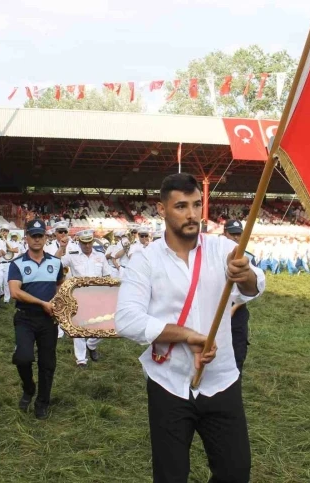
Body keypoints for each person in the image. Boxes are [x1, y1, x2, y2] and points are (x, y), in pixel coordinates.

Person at [116, 173, 265, 483]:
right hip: (168, 383)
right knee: (170, 476)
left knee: (235, 472)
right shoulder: (145, 261)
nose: (192, 214)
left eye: (197, 205)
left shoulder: (221, 249)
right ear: (161, 210)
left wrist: (245, 274)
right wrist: (186, 335)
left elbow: (255, 287)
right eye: (181, 206)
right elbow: (127, 319)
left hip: (221, 380)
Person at [7, 219, 64, 420]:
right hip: (26, 318)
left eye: (40, 235)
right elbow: (15, 292)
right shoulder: (17, 264)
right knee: (23, 357)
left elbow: (60, 288)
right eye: (33, 235)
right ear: (27, 238)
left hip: (49, 320)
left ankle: (42, 403)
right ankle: (29, 387)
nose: (37, 239)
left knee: (47, 363)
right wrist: (42, 303)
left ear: (46, 238)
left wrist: (59, 307)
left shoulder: (56, 263)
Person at [61, 229, 112, 368]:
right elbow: (56, 264)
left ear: (92, 241)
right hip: (79, 296)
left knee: (104, 325)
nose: (87, 246)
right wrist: (62, 247)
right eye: (84, 243)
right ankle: (81, 359)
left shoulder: (100, 256)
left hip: (98, 295)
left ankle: (91, 345)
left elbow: (107, 275)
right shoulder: (72, 256)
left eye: (89, 242)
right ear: (79, 242)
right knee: (79, 327)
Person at [223, 220, 257, 372]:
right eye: (232, 234)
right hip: (215, 311)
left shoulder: (248, 258)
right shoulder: (213, 255)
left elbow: (253, 289)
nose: (236, 238)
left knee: (237, 357)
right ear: (225, 233)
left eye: (239, 234)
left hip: (237, 316)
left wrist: (235, 307)